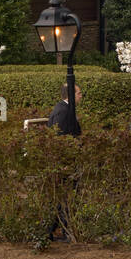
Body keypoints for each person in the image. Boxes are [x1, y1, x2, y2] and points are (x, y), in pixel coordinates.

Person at [45, 83, 82, 242]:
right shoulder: (63, 112)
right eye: (79, 93)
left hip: (65, 163)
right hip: (64, 164)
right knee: (64, 198)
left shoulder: (64, 110)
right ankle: (61, 230)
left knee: (62, 199)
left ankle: (50, 230)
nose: (81, 95)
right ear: (71, 95)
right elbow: (61, 138)